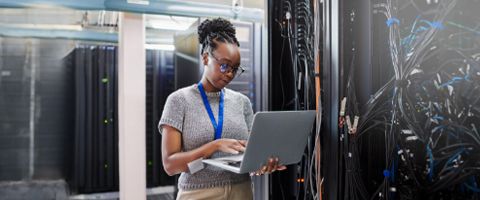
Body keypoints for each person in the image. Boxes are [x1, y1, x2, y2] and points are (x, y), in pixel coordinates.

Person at [158, 18, 285, 200]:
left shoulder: (242, 102)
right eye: (224, 65)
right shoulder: (179, 100)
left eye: (235, 69)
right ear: (205, 58)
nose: (229, 74)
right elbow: (170, 165)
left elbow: (250, 154)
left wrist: (262, 163)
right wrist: (214, 146)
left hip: (242, 191)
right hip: (198, 194)